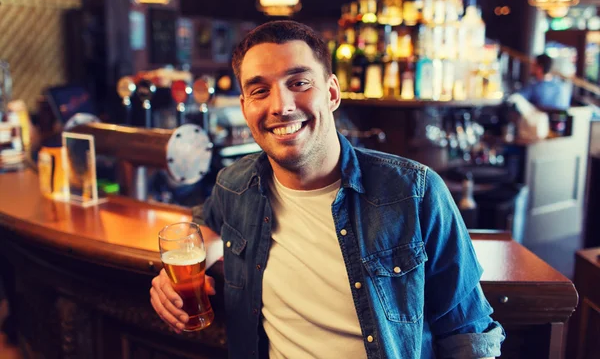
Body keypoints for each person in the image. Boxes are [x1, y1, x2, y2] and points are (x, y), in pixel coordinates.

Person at [150, 21, 505, 358]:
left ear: (332, 92)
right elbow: (204, 227)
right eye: (260, 91)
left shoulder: (415, 192)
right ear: (245, 108)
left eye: (300, 83)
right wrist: (180, 275)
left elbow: (469, 332)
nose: (281, 106)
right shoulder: (235, 184)